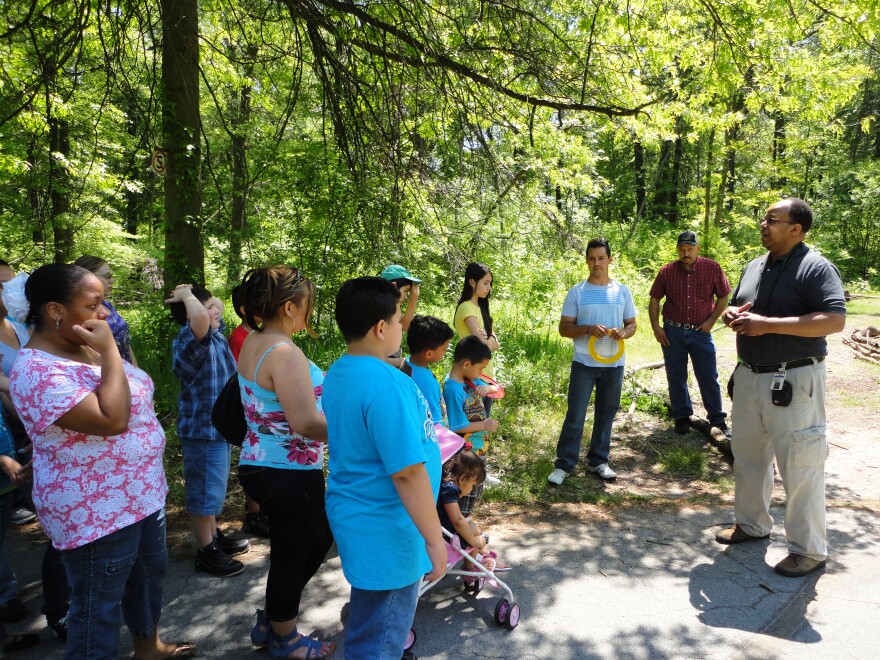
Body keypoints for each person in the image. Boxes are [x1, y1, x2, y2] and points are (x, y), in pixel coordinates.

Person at [8, 263, 194, 659]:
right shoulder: (38, 370)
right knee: (98, 607)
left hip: (142, 493)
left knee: (146, 580)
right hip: (96, 510)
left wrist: (107, 352)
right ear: (55, 310)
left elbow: (132, 388)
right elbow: (112, 419)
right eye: (94, 304)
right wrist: (110, 350)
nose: (105, 313)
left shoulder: (86, 349)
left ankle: (149, 647)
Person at [716, 198, 846, 578]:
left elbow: (833, 320)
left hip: (795, 379)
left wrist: (768, 325)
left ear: (797, 229)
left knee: (800, 464)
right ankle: (753, 524)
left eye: (773, 220)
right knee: (748, 456)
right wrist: (734, 315)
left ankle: (809, 550)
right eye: (763, 218)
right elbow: (745, 308)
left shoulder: (815, 267)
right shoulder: (755, 266)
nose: (763, 225)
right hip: (751, 376)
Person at [323, 277, 444, 660]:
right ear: (380, 328)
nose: (401, 328)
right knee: (380, 639)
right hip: (390, 529)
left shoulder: (341, 370)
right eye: (397, 321)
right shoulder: (388, 386)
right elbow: (407, 472)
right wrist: (435, 539)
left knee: (371, 623)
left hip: (361, 517)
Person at [235, 266, 335, 659]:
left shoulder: (254, 340)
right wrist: (359, 429)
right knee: (294, 555)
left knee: (312, 542)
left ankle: (273, 618)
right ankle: (286, 639)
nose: (310, 311)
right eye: (308, 304)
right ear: (290, 306)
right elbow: (307, 423)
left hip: (261, 464)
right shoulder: (285, 352)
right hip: (289, 471)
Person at [168, 284, 249, 577]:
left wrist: (187, 291)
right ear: (191, 316)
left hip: (217, 431)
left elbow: (215, 307)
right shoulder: (191, 342)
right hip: (202, 431)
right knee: (204, 492)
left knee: (213, 488)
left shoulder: (212, 335)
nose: (214, 310)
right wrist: (188, 299)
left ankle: (213, 536)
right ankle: (206, 550)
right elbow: (201, 316)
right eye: (205, 308)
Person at [548, 238, 637, 486]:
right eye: (591, 258)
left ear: (610, 259)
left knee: (606, 413)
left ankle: (599, 461)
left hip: (614, 364)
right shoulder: (578, 292)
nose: (596, 263)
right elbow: (564, 328)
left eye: (601, 258)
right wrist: (587, 328)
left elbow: (632, 325)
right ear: (586, 260)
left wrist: (623, 332)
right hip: (584, 364)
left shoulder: (622, 291)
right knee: (576, 414)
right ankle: (564, 464)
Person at [648, 231, 731, 435]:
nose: (686, 253)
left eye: (690, 249)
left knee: (708, 375)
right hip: (672, 331)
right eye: (682, 249)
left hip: (700, 331)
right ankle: (682, 416)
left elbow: (723, 296)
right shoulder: (667, 271)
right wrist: (656, 327)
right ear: (678, 249)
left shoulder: (712, 268)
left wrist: (711, 321)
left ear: (697, 249)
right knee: (675, 375)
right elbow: (654, 299)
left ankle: (717, 419)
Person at [225, 284, 268, 539]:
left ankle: (263, 508)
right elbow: (239, 378)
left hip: (262, 408)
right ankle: (254, 513)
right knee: (253, 458)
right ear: (245, 309)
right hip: (248, 410)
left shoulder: (260, 336)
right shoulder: (238, 338)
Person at [443, 336, 500, 514]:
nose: (481, 372)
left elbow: (497, 389)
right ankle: (460, 530)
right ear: (467, 364)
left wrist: (488, 388)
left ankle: (465, 526)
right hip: (466, 454)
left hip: (478, 449)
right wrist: (484, 425)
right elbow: (456, 426)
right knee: (464, 497)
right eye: (480, 368)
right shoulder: (453, 390)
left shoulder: (471, 380)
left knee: (474, 492)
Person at [436, 449, 506, 580]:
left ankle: (478, 556)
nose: (472, 489)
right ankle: (470, 569)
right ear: (462, 478)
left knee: (472, 527)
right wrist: (474, 541)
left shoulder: (442, 484)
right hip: (444, 540)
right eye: (473, 484)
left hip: (441, 533)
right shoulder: (450, 490)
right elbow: (457, 520)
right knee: (472, 531)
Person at [452, 263, 500, 415]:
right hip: (472, 375)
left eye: (490, 284)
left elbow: (495, 343)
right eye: (485, 283)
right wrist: (489, 342)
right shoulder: (466, 308)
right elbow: (484, 345)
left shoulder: (481, 308)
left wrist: (489, 341)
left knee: (484, 426)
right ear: (472, 282)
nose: (489, 288)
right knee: (473, 425)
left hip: (487, 374)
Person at [73, 256, 138, 367]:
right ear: (89, 277)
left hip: (128, 371)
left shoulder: (107, 305)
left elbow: (125, 342)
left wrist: (137, 371)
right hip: (107, 372)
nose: (112, 280)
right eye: (107, 276)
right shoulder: (82, 310)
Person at [404, 315, 454, 425]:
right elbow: (435, 423)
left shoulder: (407, 363)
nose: (444, 353)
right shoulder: (427, 383)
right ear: (428, 354)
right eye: (444, 349)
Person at [378, 265, 421, 332]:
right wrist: (414, 297)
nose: (406, 297)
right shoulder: (378, 307)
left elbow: (405, 326)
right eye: (405, 290)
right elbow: (404, 325)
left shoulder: (391, 306)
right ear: (394, 286)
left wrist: (414, 296)